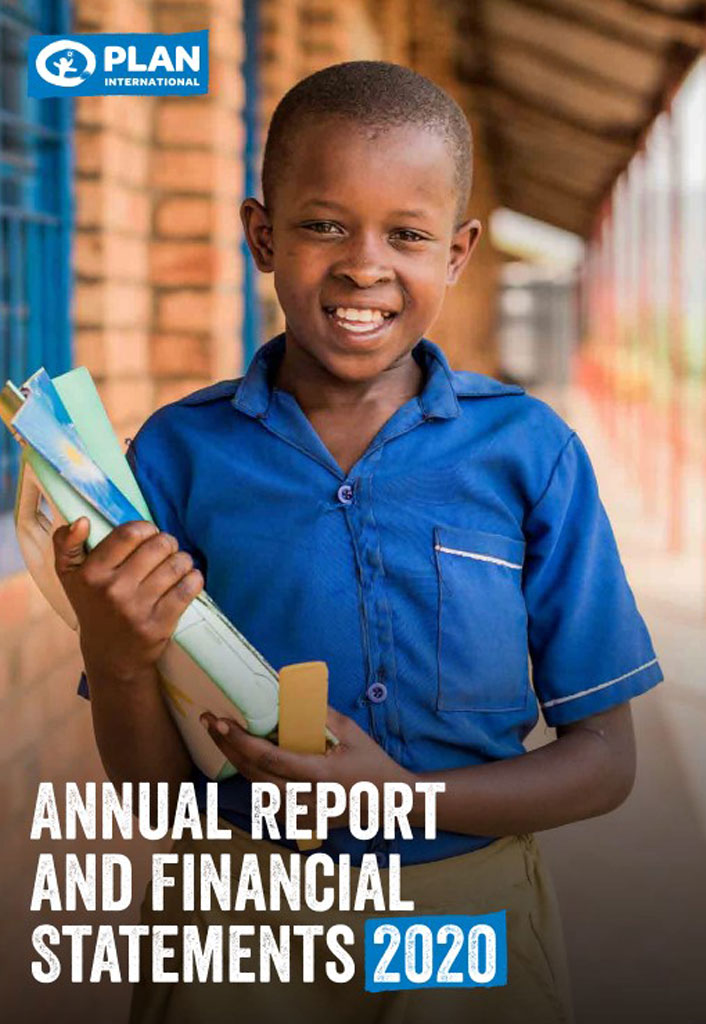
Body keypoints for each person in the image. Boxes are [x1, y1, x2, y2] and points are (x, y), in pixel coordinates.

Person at [54, 61, 662, 1023]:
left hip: (456, 908)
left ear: (458, 254)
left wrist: (402, 800)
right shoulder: (178, 454)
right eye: (323, 224)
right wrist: (116, 655)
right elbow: (154, 794)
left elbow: (605, 761)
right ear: (262, 234)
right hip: (241, 919)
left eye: (408, 235)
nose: (365, 265)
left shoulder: (529, 452)